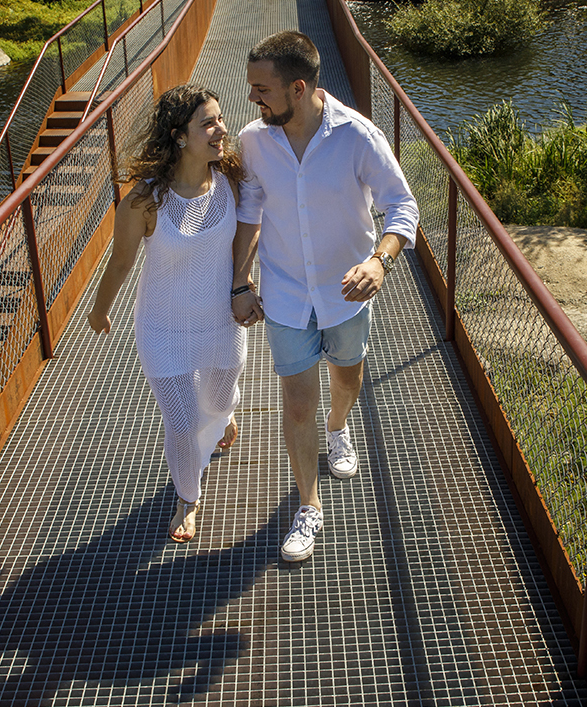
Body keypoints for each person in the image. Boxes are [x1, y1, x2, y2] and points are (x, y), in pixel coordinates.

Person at [231, 31, 419, 562]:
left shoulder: (359, 137)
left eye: (261, 88)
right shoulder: (253, 140)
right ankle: (308, 507)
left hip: (346, 293)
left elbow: (403, 207)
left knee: (346, 379)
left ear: (298, 88)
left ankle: (338, 428)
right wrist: (240, 283)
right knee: (296, 404)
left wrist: (379, 262)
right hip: (286, 294)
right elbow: (249, 214)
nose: (253, 98)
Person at [89, 83, 263, 543]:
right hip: (162, 328)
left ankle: (226, 417)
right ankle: (188, 497)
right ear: (179, 135)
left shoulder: (231, 176)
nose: (221, 129)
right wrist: (99, 309)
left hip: (222, 322)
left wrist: (245, 285)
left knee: (219, 403)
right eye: (208, 123)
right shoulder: (145, 201)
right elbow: (121, 262)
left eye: (221, 118)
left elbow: (255, 224)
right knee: (183, 423)